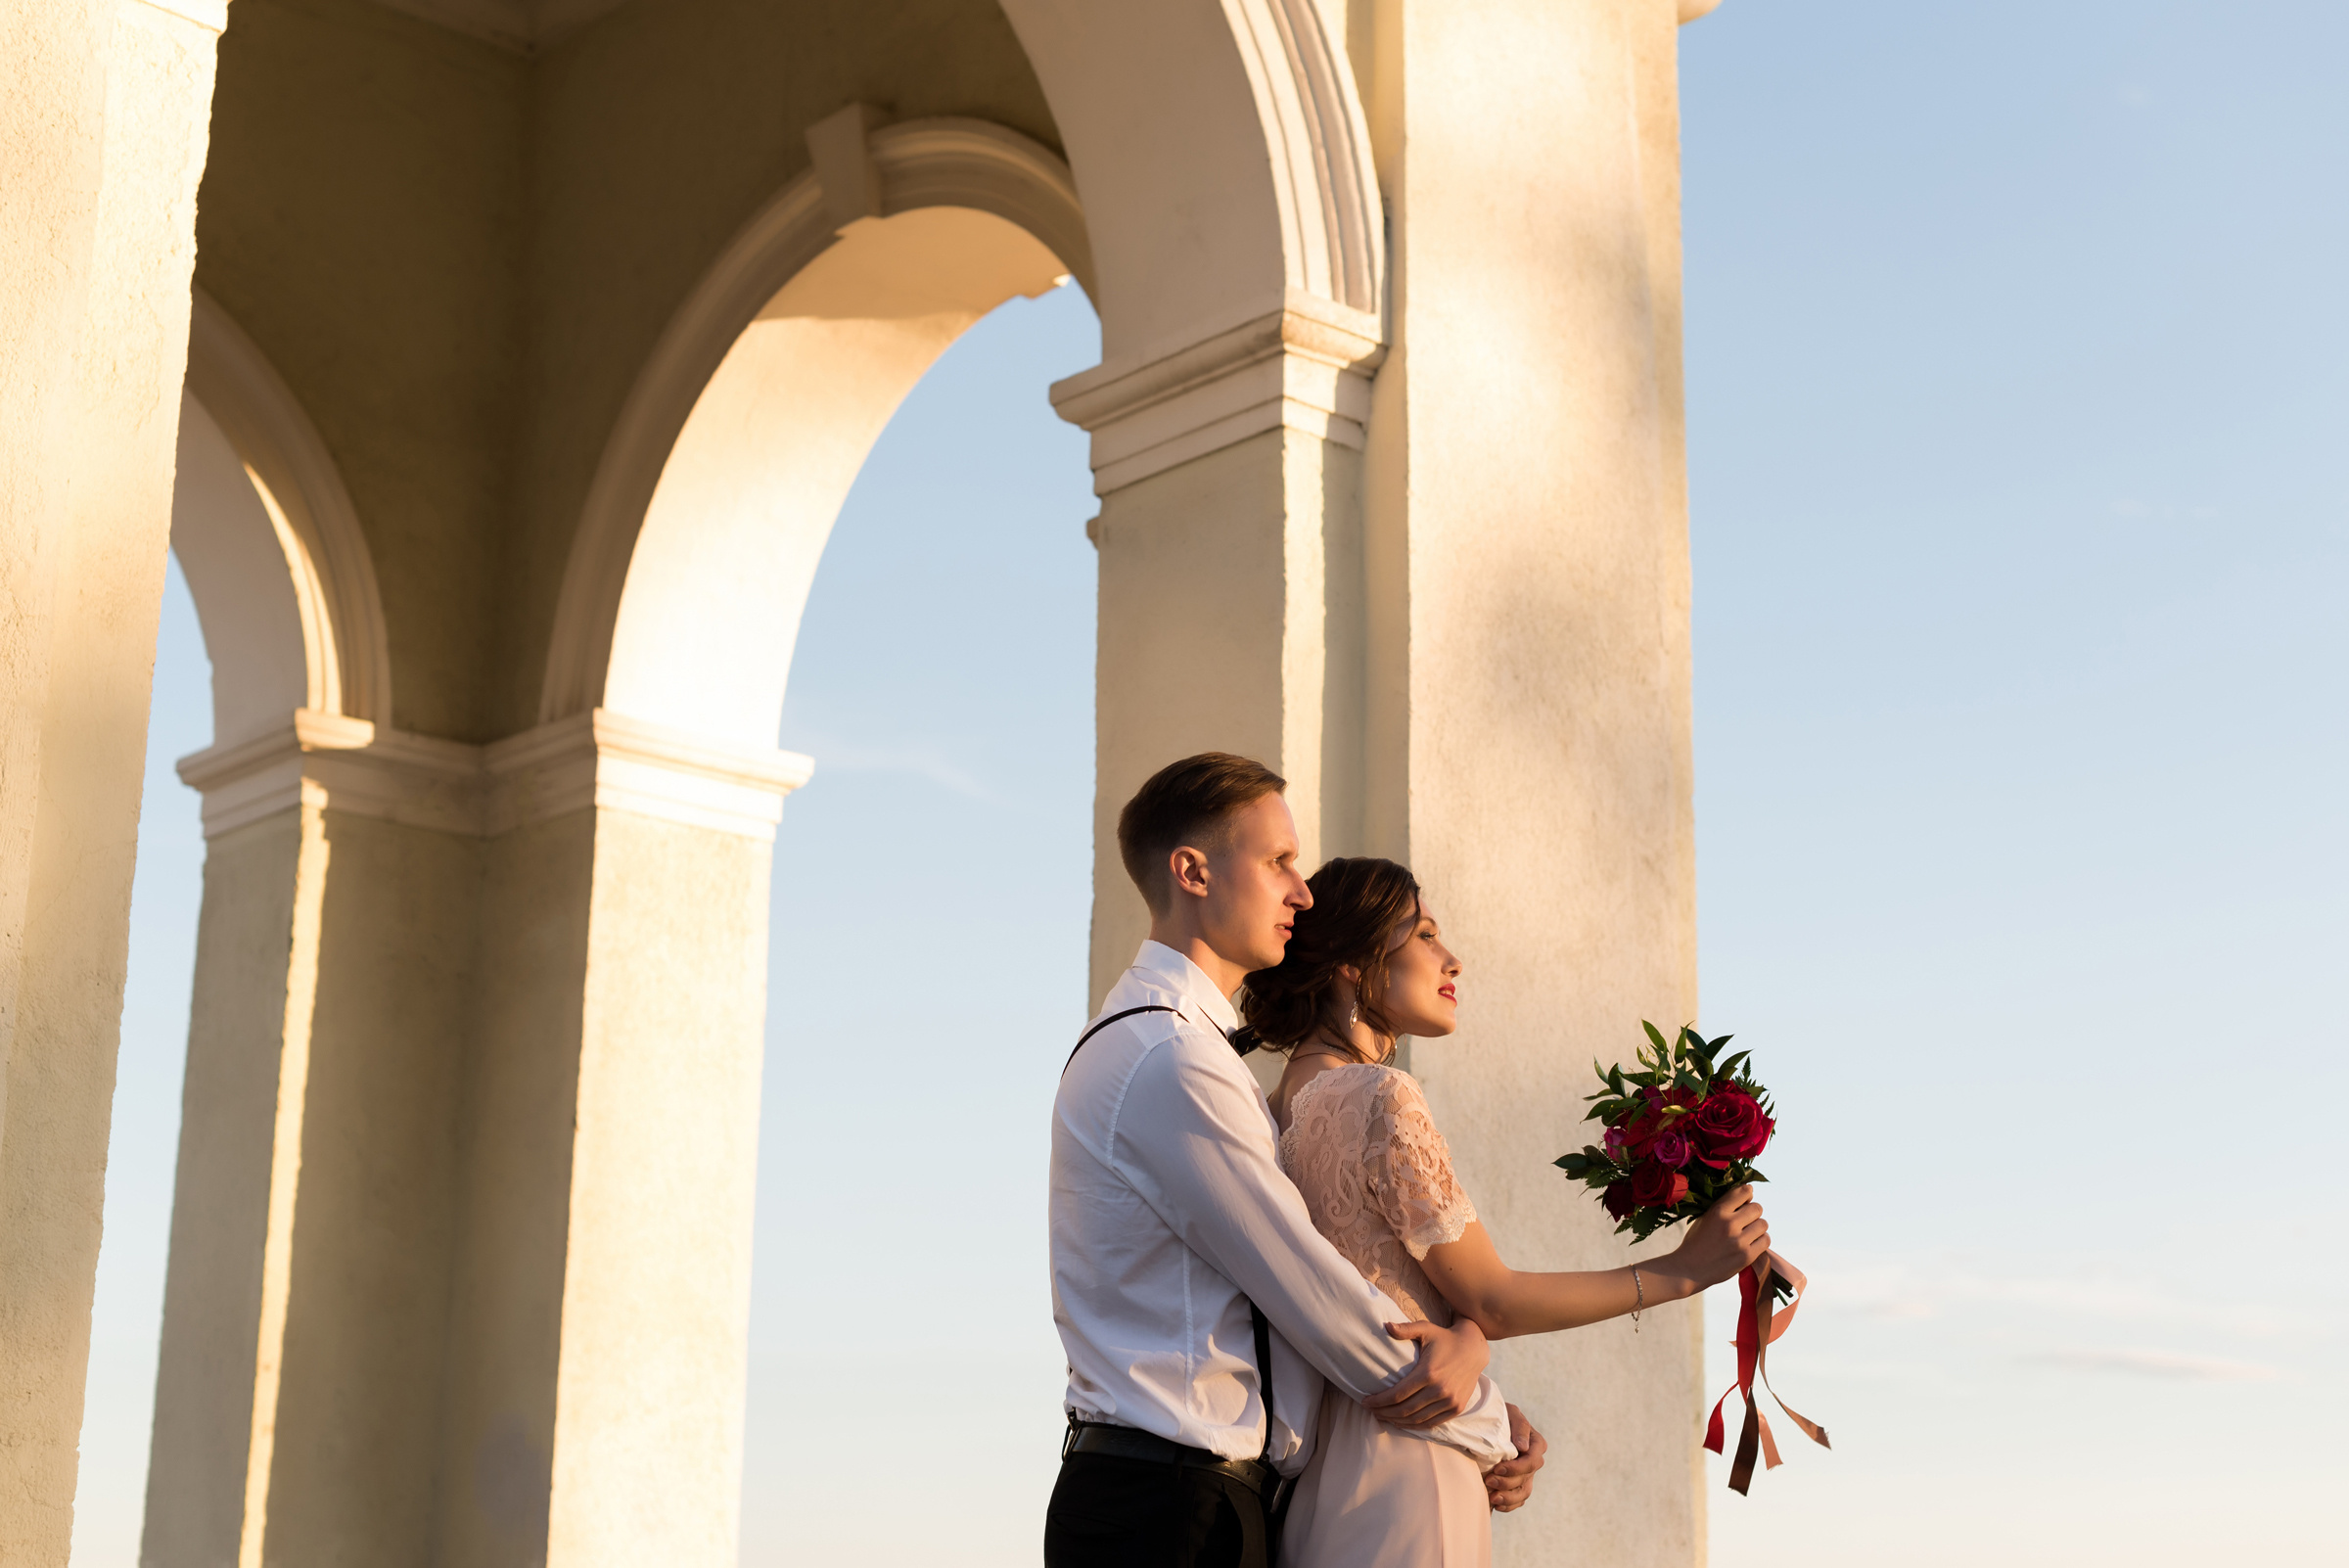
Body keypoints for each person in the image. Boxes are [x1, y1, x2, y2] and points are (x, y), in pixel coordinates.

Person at [1046, 756, 1547, 1568]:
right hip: (1167, 1510)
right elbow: (1316, 1300)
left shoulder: (1194, 1053)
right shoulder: (1168, 1058)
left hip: (1208, 1499)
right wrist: (1486, 1425)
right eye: (1279, 861)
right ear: (1193, 871)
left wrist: (1470, 1349)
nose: (1302, 892)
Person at [1246, 856, 1773, 1568]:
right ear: (1353, 963)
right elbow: (1491, 1298)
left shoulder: (1274, 1112)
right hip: (1413, 1470)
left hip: (1323, 1480)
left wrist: (1489, 1408)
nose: (1451, 957)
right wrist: (1680, 1271)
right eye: (1425, 933)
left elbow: (1384, 1298)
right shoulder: (1378, 1096)